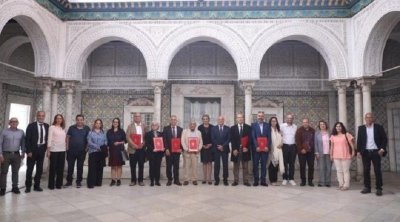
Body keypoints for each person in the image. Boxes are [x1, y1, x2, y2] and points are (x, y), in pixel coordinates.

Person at [357, 112, 387, 196]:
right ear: (365, 119)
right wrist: (358, 151)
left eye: (370, 117)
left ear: (373, 118)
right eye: (367, 117)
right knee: (366, 170)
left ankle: (379, 188)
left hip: (376, 152)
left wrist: (382, 149)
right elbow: (359, 140)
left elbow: (384, 139)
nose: (369, 119)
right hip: (365, 152)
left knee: (377, 170)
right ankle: (367, 187)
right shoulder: (361, 128)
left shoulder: (379, 127)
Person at [25, 111, 49, 193]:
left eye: (42, 116)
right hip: (32, 150)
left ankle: (36, 186)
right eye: (39, 115)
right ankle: (28, 186)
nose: (41, 117)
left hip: (41, 150)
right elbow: (27, 139)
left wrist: (45, 149)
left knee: (39, 169)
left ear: (44, 116)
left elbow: (47, 138)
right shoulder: (31, 126)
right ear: (37, 116)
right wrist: (28, 151)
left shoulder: (47, 126)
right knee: (30, 169)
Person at [0, 117, 25, 195]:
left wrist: (23, 152)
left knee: (15, 171)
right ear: (9, 123)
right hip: (5, 154)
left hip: (16, 154)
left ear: (18, 123)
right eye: (12, 122)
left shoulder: (21, 132)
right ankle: (3, 188)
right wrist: (0, 155)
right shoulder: (4, 131)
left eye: (16, 122)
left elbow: (23, 143)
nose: (14, 123)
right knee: (4, 172)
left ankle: (15, 187)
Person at [64, 114, 90, 188]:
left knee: (80, 167)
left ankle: (78, 182)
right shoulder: (71, 128)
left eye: (81, 120)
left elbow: (89, 139)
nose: (79, 121)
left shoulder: (87, 128)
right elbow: (68, 137)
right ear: (76, 120)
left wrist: (86, 148)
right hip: (71, 151)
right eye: (78, 120)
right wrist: (67, 148)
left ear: (83, 120)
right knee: (70, 167)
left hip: (82, 151)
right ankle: (69, 181)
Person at [330, 122, 355, 191]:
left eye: (340, 126)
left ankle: (346, 185)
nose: (338, 127)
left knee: (345, 171)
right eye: (337, 126)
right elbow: (331, 146)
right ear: (335, 128)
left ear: (342, 127)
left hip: (346, 155)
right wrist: (331, 155)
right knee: (339, 171)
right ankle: (341, 184)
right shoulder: (333, 136)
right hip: (336, 155)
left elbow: (351, 144)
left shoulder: (346, 134)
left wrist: (353, 151)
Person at [230, 112, 251, 186]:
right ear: (236, 119)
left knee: (245, 166)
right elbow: (232, 139)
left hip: (245, 150)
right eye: (238, 117)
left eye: (241, 117)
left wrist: (247, 148)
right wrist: (234, 149)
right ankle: (236, 180)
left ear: (243, 118)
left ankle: (246, 181)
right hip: (236, 150)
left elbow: (250, 139)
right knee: (236, 166)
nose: (240, 119)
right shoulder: (232, 128)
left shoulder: (248, 127)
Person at [126, 112, 147, 186]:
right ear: (134, 118)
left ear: (140, 118)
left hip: (141, 149)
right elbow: (127, 137)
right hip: (132, 149)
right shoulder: (130, 126)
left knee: (141, 165)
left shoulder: (144, 126)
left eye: (138, 116)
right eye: (136, 116)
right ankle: (133, 180)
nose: (137, 118)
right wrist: (134, 145)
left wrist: (142, 144)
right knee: (133, 166)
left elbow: (145, 137)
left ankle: (140, 180)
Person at [251, 111, 271, 187]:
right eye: (259, 116)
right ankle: (256, 180)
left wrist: (267, 146)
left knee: (264, 165)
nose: (260, 117)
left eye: (262, 116)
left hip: (265, 149)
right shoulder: (253, 125)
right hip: (256, 149)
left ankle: (263, 180)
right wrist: (257, 146)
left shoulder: (267, 125)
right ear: (257, 116)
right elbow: (253, 137)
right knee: (255, 165)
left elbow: (269, 137)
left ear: (264, 117)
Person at [47, 114, 67, 190]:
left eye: (60, 118)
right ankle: (51, 185)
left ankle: (59, 184)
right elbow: (49, 139)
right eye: (57, 118)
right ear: (55, 119)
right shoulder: (52, 127)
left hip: (62, 150)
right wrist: (48, 151)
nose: (59, 120)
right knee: (53, 168)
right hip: (54, 150)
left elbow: (64, 139)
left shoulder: (63, 128)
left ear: (62, 120)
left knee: (60, 168)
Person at [87, 119, 107, 189]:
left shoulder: (103, 133)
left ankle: (98, 182)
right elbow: (89, 142)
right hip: (93, 152)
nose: (98, 124)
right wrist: (98, 147)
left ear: (101, 125)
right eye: (97, 123)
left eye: (99, 123)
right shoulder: (90, 133)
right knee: (92, 168)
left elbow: (105, 142)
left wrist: (102, 147)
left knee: (100, 168)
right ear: (94, 124)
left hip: (101, 153)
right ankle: (91, 184)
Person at [163, 115, 183, 186]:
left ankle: (176, 180)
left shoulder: (180, 129)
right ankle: (169, 180)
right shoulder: (166, 129)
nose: (173, 121)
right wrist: (166, 149)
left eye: (175, 120)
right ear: (170, 121)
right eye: (172, 119)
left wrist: (181, 148)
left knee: (176, 167)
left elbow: (182, 141)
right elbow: (164, 140)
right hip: (169, 152)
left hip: (177, 152)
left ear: (176, 121)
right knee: (168, 166)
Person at [295, 118, 315, 187]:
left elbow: (314, 140)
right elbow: (297, 141)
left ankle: (310, 181)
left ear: (309, 123)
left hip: (311, 152)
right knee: (302, 166)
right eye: (304, 122)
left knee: (311, 166)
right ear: (302, 123)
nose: (305, 123)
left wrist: (310, 148)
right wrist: (301, 149)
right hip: (302, 152)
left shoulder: (312, 130)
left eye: (306, 122)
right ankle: (303, 181)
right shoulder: (299, 130)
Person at [181, 120, 203, 185]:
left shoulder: (199, 132)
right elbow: (182, 141)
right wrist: (186, 149)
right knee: (186, 166)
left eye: (194, 124)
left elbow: (201, 142)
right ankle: (186, 179)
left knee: (195, 166)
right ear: (189, 125)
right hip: (187, 152)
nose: (192, 125)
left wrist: (198, 149)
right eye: (191, 124)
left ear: (195, 125)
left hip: (195, 152)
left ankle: (194, 179)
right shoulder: (185, 131)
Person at [107, 118, 126, 186]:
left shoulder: (121, 131)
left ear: (118, 123)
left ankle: (118, 180)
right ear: (112, 123)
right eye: (114, 122)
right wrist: (108, 151)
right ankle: (113, 180)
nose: (115, 123)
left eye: (117, 122)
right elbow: (107, 142)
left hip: (120, 150)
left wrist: (119, 142)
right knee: (113, 166)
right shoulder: (109, 131)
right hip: (112, 151)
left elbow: (125, 141)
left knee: (119, 166)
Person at [211, 116, 230, 186]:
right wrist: (218, 146)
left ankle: (225, 179)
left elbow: (229, 139)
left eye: (222, 119)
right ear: (217, 120)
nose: (220, 120)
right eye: (219, 119)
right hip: (216, 149)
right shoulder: (213, 128)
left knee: (225, 165)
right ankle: (217, 180)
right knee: (217, 165)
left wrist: (223, 146)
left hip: (225, 149)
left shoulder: (228, 128)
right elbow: (213, 138)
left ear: (223, 120)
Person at [280, 113, 297, 186]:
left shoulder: (295, 127)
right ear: (286, 119)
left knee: (292, 163)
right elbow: (279, 135)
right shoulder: (282, 126)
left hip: (293, 146)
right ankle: (284, 178)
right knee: (284, 163)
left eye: (291, 118)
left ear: (293, 119)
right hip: (285, 146)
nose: (289, 119)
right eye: (288, 118)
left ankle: (291, 179)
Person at [145, 122, 164, 186]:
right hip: (151, 153)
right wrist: (153, 149)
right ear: (151, 126)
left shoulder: (161, 134)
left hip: (159, 154)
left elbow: (163, 142)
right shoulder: (148, 134)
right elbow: (147, 143)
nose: (154, 126)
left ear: (158, 126)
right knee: (152, 167)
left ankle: (157, 181)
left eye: (155, 125)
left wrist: (163, 148)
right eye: (153, 125)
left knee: (158, 167)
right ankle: (152, 181)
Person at [314, 120, 331, 187]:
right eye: (321, 124)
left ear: (325, 125)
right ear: (319, 126)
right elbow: (315, 143)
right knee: (321, 168)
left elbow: (332, 143)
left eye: (323, 124)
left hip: (328, 153)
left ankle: (327, 182)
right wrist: (316, 152)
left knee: (328, 168)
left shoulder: (329, 133)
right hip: (320, 153)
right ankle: (321, 182)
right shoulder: (317, 133)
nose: (322, 125)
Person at [268, 117, 284, 186]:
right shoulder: (268, 130)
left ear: (277, 122)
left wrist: (281, 144)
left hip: (278, 150)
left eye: (275, 121)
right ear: (270, 122)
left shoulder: (279, 130)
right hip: (271, 150)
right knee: (271, 166)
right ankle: (272, 180)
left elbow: (282, 139)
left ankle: (275, 180)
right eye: (272, 121)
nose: (273, 122)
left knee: (276, 166)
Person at [198, 114, 214, 185]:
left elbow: (214, 137)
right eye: (204, 119)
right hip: (203, 147)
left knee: (210, 163)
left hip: (211, 147)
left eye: (206, 119)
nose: (205, 120)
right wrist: (202, 145)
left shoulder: (212, 127)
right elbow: (198, 138)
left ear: (209, 120)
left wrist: (211, 144)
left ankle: (209, 178)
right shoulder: (199, 127)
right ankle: (204, 178)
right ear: (202, 120)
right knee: (204, 163)